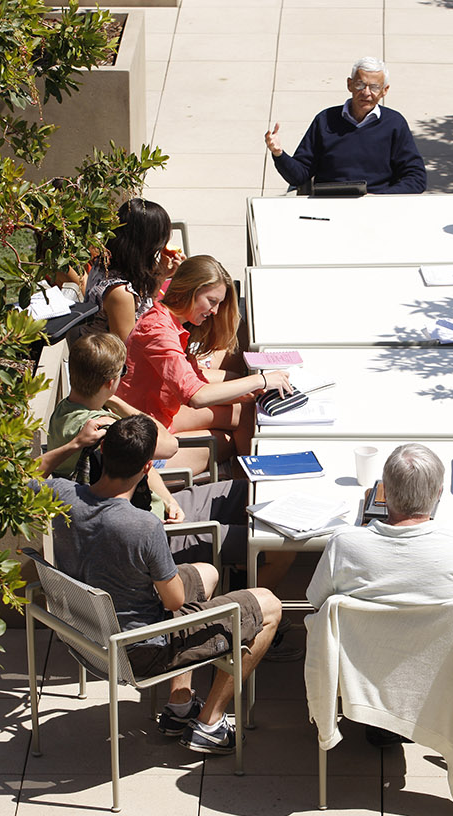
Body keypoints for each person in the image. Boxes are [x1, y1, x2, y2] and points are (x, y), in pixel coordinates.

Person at [36, 415, 283, 755]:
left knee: (207, 572)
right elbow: (173, 602)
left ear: (102, 450)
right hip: (138, 651)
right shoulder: (142, 527)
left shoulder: (62, 495)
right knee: (268, 604)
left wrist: (75, 443)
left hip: (87, 637)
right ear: (147, 467)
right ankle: (211, 724)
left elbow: (20, 477)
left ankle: (180, 705)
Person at [50, 333, 301, 583]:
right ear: (110, 382)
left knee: (245, 491)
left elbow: (146, 468)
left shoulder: (65, 411)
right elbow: (168, 445)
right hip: (154, 532)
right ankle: (248, 595)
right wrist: (118, 403)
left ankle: (240, 567)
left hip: (160, 508)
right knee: (278, 545)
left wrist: (170, 501)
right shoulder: (105, 429)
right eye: (122, 372)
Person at [118, 255, 292, 474]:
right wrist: (260, 379)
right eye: (212, 301)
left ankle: (246, 483)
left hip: (157, 415)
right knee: (229, 441)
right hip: (142, 439)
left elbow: (193, 379)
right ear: (190, 290)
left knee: (246, 409)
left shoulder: (165, 320)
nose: (215, 312)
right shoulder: (158, 331)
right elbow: (196, 396)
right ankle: (245, 489)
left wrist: (244, 391)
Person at [306, 444, 453, 615]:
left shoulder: (343, 544)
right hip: (447, 655)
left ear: (384, 492)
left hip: (358, 655)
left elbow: (316, 600)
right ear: (439, 493)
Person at [265, 57, 426, 194]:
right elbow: (299, 176)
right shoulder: (325, 120)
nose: (366, 92)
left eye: (375, 87)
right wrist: (279, 154)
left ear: (385, 90)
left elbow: (416, 178)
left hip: (377, 207)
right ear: (349, 84)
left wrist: (381, 198)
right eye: (360, 85)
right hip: (329, 205)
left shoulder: (394, 123)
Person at [82, 198, 185, 347]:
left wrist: (162, 275)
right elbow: (129, 352)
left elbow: (144, 310)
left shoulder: (105, 263)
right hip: (112, 364)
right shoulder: (119, 293)